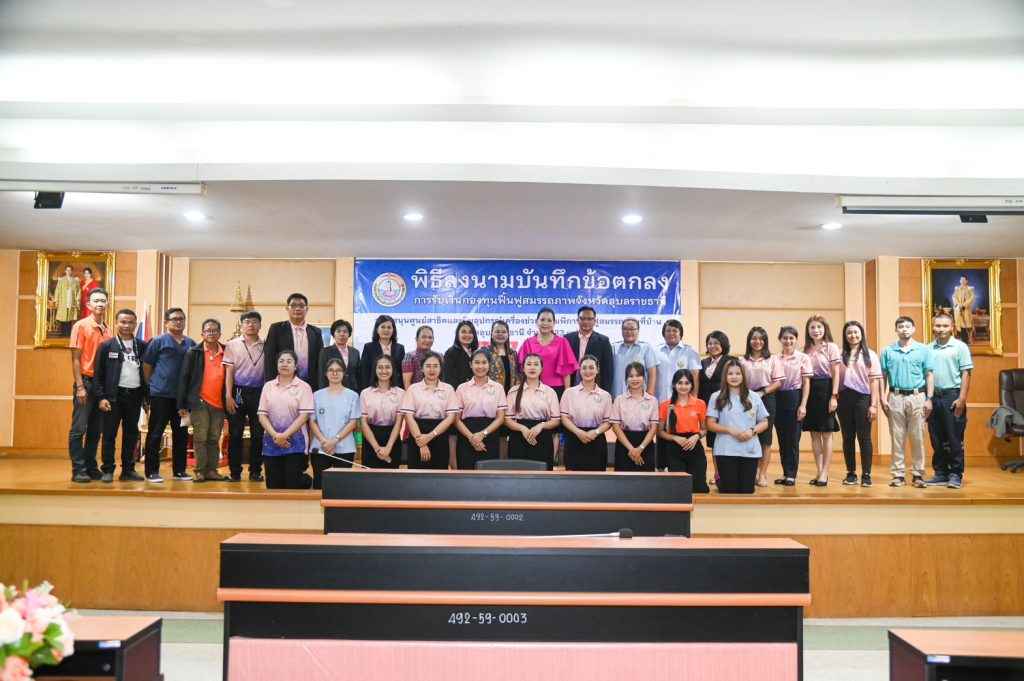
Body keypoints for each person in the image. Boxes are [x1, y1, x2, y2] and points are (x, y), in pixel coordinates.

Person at [141, 307, 195, 483]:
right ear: (166, 322)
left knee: (181, 434)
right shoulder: (158, 341)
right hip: (161, 395)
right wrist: (152, 385)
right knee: (155, 433)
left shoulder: (191, 343)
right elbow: (147, 366)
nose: (178, 322)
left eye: (181, 319)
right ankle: (151, 472)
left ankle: (179, 471)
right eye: (174, 319)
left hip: (182, 398)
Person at [880, 316, 934, 488]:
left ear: (914, 329)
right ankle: (898, 475)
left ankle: (918, 474)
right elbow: (883, 376)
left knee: (917, 436)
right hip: (895, 397)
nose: (904, 329)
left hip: (918, 397)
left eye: (908, 326)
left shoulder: (923, 350)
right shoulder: (887, 351)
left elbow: (929, 375)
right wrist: (882, 397)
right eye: (901, 326)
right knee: (897, 437)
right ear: (896, 330)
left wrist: (929, 398)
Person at [93, 308, 146, 482]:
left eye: (130, 322)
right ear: (116, 323)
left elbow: (147, 372)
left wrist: (146, 398)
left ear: (135, 324)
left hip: (135, 396)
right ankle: (108, 470)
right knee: (109, 434)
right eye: (123, 322)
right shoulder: (107, 346)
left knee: (131, 434)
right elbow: (98, 375)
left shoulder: (142, 346)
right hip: (113, 397)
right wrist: (101, 397)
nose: (126, 325)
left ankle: (128, 470)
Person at [67, 287, 113, 483]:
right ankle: (78, 470)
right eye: (96, 300)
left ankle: (91, 467)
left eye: (103, 300)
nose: (100, 304)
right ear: (88, 304)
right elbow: (75, 359)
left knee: (96, 430)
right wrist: (80, 387)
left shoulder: (108, 330)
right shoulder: (81, 326)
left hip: (101, 386)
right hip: (85, 382)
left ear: (107, 303)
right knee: (79, 429)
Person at [706, 359, 769, 494]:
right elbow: (710, 424)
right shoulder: (716, 397)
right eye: (730, 374)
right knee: (729, 490)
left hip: (749, 451)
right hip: (726, 450)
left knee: (747, 490)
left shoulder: (754, 396)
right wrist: (729, 430)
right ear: (725, 376)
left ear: (743, 376)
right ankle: (720, 480)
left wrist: (752, 431)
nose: (734, 377)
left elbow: (764, 422)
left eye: (738, 373)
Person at [925, 311, 973, 489]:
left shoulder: (960, 347)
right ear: (933, 327)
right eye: (938, 325)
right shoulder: (928, 349)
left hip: (952, 396)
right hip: (933, 397)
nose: (941, 329)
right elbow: (926, 374)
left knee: (954, 438)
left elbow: (966, 373)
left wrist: (962, 398)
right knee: (936, 437)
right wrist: (927, 398)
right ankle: (941, 473)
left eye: (945, 326)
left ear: (952, 327)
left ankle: (955, 474)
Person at [177, 319, 228, 482]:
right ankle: (200, 471)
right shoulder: (194, 352)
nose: (211, 333)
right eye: (208, 330)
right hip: (199, 402)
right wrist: (181, 404)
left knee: (214, 438)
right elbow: (184, 378)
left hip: (219, 403)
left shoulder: (226, 351)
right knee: (200, 437)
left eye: (214, 330)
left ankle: (212, 470)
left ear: (219, 333)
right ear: (202, 333)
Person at [258, 349, 315, 489]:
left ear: (295, 366)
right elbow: (262, 415)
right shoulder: (268, 386)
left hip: (296, 443)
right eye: (281, 361)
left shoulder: (304, 387)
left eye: (289, 361)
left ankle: (305, 482)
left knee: (292, 484)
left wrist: (285, 435)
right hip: (271, 441)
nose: (285, 364)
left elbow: (304, 416)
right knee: (273, 485)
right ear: (276, 365)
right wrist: (276, 435)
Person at [838, 321, 882, 487]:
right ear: (845, 336)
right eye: (849, 333)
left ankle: (866, 474)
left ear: (861, 334)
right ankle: (851, 473)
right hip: (844, 398)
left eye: (856, 332)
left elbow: (874, 381)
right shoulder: (840, 355)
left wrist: (873, 405)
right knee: (847, 437)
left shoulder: (870, 355)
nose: (853, 335)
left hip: (863, 398)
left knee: (864, 437)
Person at [223, 310, 266, 482]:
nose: (251, 325)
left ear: (260, 325)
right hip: (238, 392)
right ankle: (235, 472)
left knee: (258, 434)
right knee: (235, 433)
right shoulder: (232, 344)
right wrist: (228, 395)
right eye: (247, 322)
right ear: (242, 325)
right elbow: (229, 371)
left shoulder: (266, 344)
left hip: (259, 393)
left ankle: (255, 471)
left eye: (254, 321)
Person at [740, 327, 783, 487]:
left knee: (765, 439)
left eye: (760, 338)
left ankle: (762, 474)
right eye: (754, 338)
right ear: (749, 340)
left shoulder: (772, 359)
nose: (757, 341)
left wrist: (763, 392)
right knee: (749, 435)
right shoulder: (742, 360)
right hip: (746, 399)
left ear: (765, 341)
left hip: (767, 398)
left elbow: (778, 382)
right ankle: (751, 472)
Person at [400, 351, 458, 469]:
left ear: (441, 368)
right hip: (417, 433)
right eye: (428, 366)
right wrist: (421, 442)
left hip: (440, 434)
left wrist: (430, 436)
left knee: (438, 474)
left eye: (435, 366)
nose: (432, 370)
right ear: (422, 368)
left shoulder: (448, 389)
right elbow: (408, 417)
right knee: (416, 475)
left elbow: (451, 417)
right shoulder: (413, 389)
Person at [310, 358, 362, 487]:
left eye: (338, 370)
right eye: (331, 370)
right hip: (320, 448)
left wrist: (334, 441)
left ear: (344, 373)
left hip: (345, 448)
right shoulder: (316, 395)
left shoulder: (353, 396)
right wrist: (324, 441)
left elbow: (353, 423)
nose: (334, 373)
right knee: (320, 486)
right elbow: (312, 421)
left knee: (342, 487)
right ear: (325, 373)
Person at [803, 316, 842, 486]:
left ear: (825, 329)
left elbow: (836, 372)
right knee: (814, 433)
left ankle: (825, 472)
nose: (816, 330)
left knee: (826, 433)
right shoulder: (806, 349)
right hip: (810, 390)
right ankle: (819, 471)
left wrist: (834, 396)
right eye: (812, 327)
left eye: (819, 327)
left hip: (826, 389)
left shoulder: (831, 347)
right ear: (808, 330)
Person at [453, 349, 507, 469]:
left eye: (484, 362)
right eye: (477, 362)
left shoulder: (498, 388)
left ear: (489, 364)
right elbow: (456, 419)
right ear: (470, 364)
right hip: (466, 435)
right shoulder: (462, 388)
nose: (480, 366)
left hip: (490, 434)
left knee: (489, 475)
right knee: (466, 474)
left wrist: (483, 434)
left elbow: (500, 418)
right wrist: (471, 438)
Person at [506, 353, 561, 469]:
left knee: (542, 475)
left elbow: (556, 420)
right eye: (529, 364)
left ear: (541, 368)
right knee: (518, 474)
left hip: (542, 436)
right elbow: (507, 419)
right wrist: (522, 428)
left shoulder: (550, 392)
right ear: (523, 368)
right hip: (518, 437)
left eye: (536, 364)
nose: (532, 367)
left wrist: (541, 426)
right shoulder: (513, 391)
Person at [773, 326, 812, 486]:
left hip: (794, 397)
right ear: (780, 339)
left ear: (796, 339)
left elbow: (806, 383)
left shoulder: (803, 358)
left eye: (791, 338)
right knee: (782, 438)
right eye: (785, 338)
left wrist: (803, 405)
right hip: (777, 397)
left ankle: (791, 474)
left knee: (793, 438)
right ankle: (785, 473)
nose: (788, 341)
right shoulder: (775, 358)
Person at [658, 370, 709, 492]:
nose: (683, 386)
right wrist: (675, 438)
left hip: (693, 445)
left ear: (692, 385)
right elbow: (659, 431)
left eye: (687, 383)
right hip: (674, 447)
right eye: (680, 383)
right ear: (674, 385)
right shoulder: (665, 405)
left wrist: (696, 436)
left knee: (699, 488)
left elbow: (704, 429)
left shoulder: (700, 404)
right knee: (679, 489)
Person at [560, 355, 613, 470]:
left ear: (597, 370)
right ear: (579, 370)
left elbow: (608, 422)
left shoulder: (606, 396)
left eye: (591, 367)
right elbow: (564, 418)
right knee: (573, 477)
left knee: (596, 478)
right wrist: (578, 432)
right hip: (574, 438)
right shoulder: (569, 393)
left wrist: (596, 432)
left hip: (596, 439)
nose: (587, 371)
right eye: (584, 368)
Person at [263, 293, 325, 389]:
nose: (297, 309)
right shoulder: (276, 329)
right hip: (283, 383)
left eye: (301, 306)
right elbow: (269, 359)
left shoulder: (316, 332)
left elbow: (320, 360)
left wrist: (320, 385)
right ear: (287, 308)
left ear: (307, 309)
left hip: (310, 384)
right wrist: (271, 384)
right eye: (293, 305)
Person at [517, 307, 579, 400]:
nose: (545, 323)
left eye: (549, 320)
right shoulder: (528, 343)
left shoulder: (562, 342)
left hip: (557, 389)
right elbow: (521, 370)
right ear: (536, 322)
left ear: (554, 323)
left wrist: (567, 395)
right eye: (542, 320)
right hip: (533, 388)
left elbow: (566, 372)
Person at [609, 362, 660, 471]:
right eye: (631, 376)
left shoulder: (652, 401)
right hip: (624, 444)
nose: (634, 379)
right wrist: (631, 449)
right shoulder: (619, 400)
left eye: (638, 375)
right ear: (626, 379)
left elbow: (653, 428)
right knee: (623, 479)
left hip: (645, 445)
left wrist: (640, 448)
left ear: (644, 378)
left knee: (645, 479)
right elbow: (615, 427)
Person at [360, 355, 405, 469]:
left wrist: (388, 448)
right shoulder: (365, 393)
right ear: (375, 370)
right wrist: (377, 448)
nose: (384, 371)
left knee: (392, 477)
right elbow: (363, 423)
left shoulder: (401, 393)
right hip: (371, 439)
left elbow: (398, 423)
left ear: (393, 369)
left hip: (392, 439)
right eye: (380, 367)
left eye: (387, 367)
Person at [564, 306, 614, 394]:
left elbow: (608, 371)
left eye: (589, 319)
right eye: (582, 318)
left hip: (594, 390)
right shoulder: (567, 339)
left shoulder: (603, 341)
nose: (586, 322)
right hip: (571, 387)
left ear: (595, 321)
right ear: (577, 320)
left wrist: (606, 393)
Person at [655, 319, 701, 401]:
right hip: (660, 399)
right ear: (663, 334)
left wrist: (694, 399)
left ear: (680, 334)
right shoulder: (656, 351)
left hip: (683, 401)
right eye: (668, 331)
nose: (671, 333)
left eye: (675, 331)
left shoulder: (690, 352)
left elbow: (695, 377)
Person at [611, 318, 657, 399]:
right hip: (617, 396)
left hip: (640, 398)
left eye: (632, 329)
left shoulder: (646, 348)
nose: (629, 332)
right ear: (621, 331)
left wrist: (649, 394)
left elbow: (652, 373)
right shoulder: (614, 348)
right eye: (625, 329)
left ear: (638, 330)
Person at [359, 314, 405, 393]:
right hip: (374, 389)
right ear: (377, 329)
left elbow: (401, 373)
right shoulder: (369, 347)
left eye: (389, 327)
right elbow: (364, 372)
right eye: (383, 327)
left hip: (395, 390)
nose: (386, 330)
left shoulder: (400, 348)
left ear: (393, 330)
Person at [317, 319, 361, 393]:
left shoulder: (355, 352)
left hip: (352, 391)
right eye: (338, 331)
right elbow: (321, 375)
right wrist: (323, 392)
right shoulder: (325, 352)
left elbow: (358, 375)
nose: (342, 334)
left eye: (345, 331)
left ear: (349, 334)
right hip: (332, 390)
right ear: (333, 334)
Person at [483, 320, 518, 394]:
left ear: (508, 334)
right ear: (491, 334)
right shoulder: (485, 352)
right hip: (490, 394)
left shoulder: (513, 353)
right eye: (497, 331)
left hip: (510, 395)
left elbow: (516, 376)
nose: (500, 334)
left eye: (503, 332)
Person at [443, 320, 478, 388]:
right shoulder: (450, 353)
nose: (467, 335)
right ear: (457, 334)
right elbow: (448, 380)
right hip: (458, 392)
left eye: (470, 332)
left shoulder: (476, 352)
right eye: (463, 332)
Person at [53, 264, 79, 335]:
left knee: (69, 317)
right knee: (63, 316)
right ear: (65, 271)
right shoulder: (61, 280)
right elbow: (57, 290)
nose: (68, 271)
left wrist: (77, 301)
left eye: (70, 270)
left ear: (71, 271)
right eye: (67, 270)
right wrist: (56, 300)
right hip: (63, 301)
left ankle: (68, 333)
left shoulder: (75, 281)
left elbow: (78, 291)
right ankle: (63, 332)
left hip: (71, 301)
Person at [952, 275, 976, 344]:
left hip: (966, 309)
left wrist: (964, 305)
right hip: (959, 309)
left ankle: (968, 339)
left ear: (966, 281)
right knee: (960, 324)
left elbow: (972, 298)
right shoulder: (957, 289)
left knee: (967, 324)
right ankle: (962, 339)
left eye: (964, 280)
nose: (962, 281)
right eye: (961, 280)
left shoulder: (970, 289)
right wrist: (959, 305)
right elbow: (954, 297)